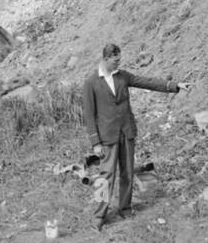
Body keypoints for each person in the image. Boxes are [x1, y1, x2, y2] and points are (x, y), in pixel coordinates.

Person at [82, 43, 191, 231]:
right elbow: (89, 115)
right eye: (115, 60)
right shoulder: (91, 82)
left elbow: (146, 81)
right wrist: (95, 142)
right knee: (105, 177)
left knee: (127, 173)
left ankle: (125, 208)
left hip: (126, 132)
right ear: (106, 58)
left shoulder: (122, 76)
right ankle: (99, 216)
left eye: (119, 60)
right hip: (107, 137)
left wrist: (174, 86)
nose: (118, 63)